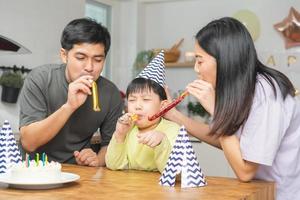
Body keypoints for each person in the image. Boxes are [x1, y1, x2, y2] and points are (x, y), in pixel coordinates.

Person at [164, 17, 300, 199]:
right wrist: (173, 115)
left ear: (224, 59)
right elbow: (230, 142)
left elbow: (245, 172)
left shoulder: (266, 95)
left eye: (200, 60)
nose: (196, 69)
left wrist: (216, 110)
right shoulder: (242, 88)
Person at [19, 18, 123, 167]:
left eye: (98, 60)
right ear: (64, 55)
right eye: (81, 58)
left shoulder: (110, 92)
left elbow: (110, 145)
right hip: (34, 170)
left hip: (78, 174)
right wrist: (69, 106)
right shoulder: (40, 79)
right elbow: (29, 143)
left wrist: (97, 160)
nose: (89, 67)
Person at [105, 51, 180, 173]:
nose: (137, 106)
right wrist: (119, 135)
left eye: (145, 99)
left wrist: (161, 142)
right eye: (132, 100)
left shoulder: (173, 130)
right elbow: (113, 165)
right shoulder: (128, 129)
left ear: (162, 106)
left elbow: (173, 172)